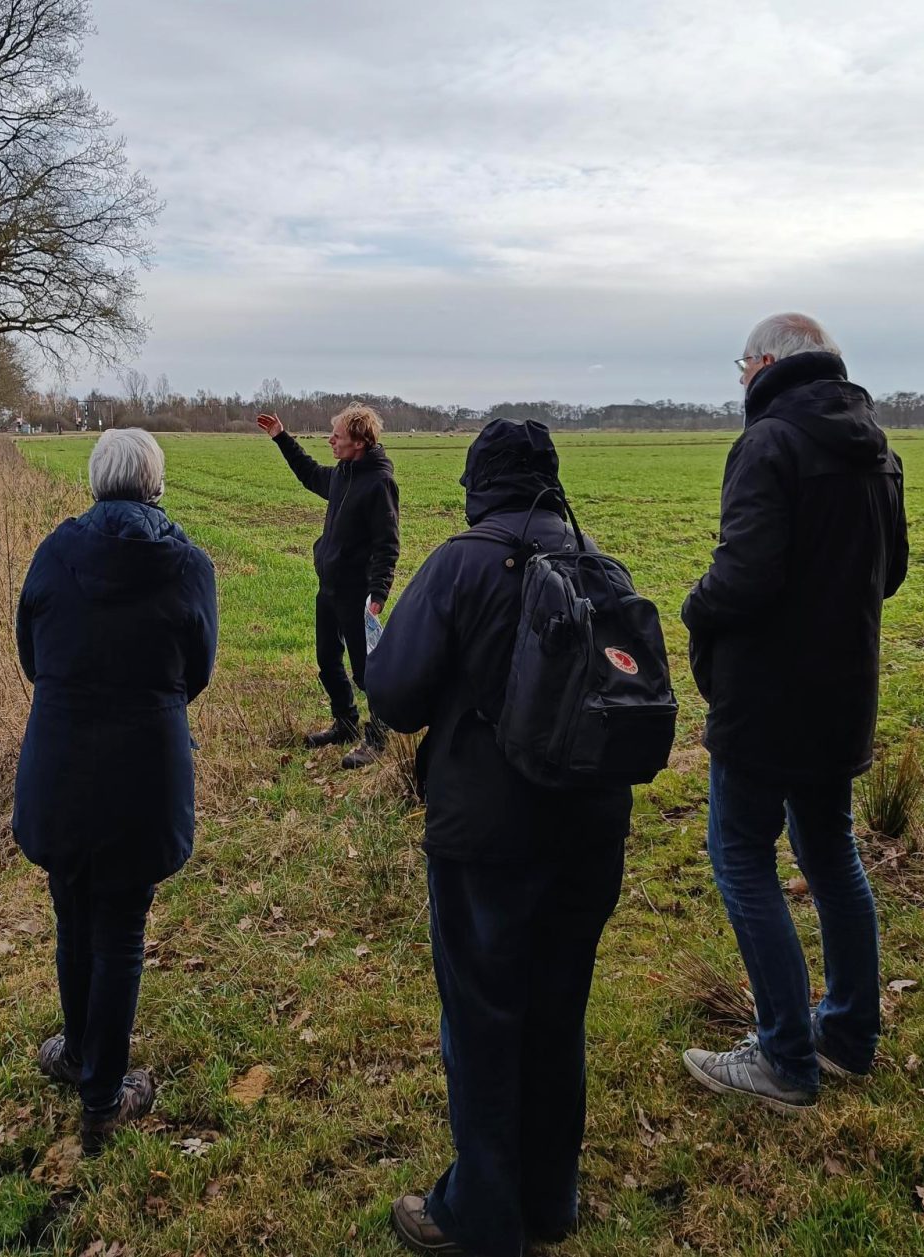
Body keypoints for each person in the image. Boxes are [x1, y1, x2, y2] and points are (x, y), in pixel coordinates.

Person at [366, 419, 632, 1257]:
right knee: (559, 1012)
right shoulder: (603, 566)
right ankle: (552, 1198)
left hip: (484, 838)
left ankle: (480, 1213)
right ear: (550, 478)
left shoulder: (458, 561)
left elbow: (395, 697)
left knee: (482, 1021)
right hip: (591, 832)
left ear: (479, 483)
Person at [681, 313, 908, 1111]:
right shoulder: (877, 447)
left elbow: (741, 578)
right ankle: (846, 1034)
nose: (740, 377)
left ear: (769, 362)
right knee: (831, 854)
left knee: (741, 856)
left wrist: (692, 608)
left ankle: (784, 1057)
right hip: (843, 697)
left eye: (742, 363)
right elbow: (894, 571)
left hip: (766, 704)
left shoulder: (768, 443)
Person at [12, 428, 217, 1153]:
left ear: (95, 480)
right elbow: (199, 668)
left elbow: (31, 652)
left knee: (74, 910)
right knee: (121, 925)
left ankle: (80, 1059)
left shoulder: (55, 552)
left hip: (60, 755)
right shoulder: (188, 564)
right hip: (145, 761)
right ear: (155, 483)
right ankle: (102, 1094)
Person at [257, 404, 400, 769]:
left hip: (358, 595)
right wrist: (281, 438)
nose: (330, 440)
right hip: (330, 587)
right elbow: (308, 473)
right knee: (326, 659)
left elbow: (387, 544)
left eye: (337, 436)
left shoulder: (379, 483)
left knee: (366, 672)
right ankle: (346, 723)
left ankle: (378, 738)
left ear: (360, 442)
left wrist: (378, 595)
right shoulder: (342, 474)